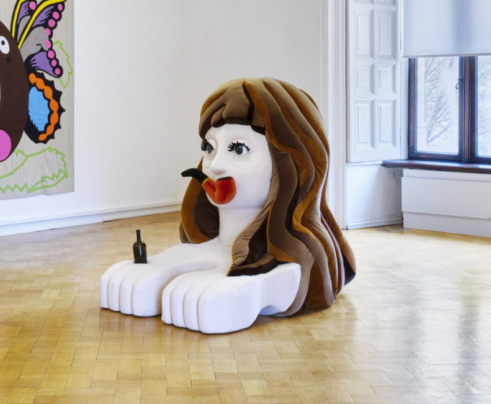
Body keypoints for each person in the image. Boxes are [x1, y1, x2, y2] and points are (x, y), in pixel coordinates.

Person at [98, 77, 354, 334]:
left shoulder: (292, 263)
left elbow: (293, 272)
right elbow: (211, 252)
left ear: (287, 163)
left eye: (239, 149)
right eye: (209, 148)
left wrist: (255, 289)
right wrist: (158, 268)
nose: (215, 165)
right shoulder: (213, 237)